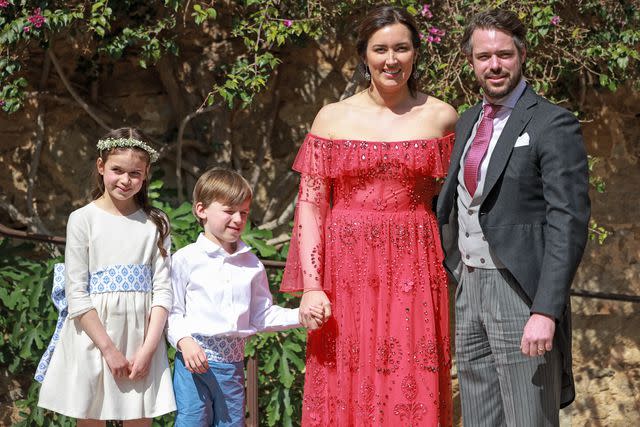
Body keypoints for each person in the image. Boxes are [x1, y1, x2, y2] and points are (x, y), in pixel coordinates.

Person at [280, 5, 458, 426]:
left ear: (416, 53)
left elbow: (457, 203)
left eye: (401, 48)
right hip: (345, 269)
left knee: (410, 376)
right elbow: (310, 205)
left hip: (415, 264)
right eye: (380, 49)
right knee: (344, 374)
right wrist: (312, 285)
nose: (391, 59)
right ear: (364, 55)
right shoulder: (333, 117)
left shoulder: (443, 116)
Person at [436, 9, 590, 427]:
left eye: (504, 54)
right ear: (471, 61)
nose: (495, 65)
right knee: (480, 419)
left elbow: (569, 222)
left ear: (521, 55)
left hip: (520, 292)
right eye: (484, 56)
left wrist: (546, 309)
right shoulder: (467, 121)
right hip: (470, 288)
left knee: (528, 418)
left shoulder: (552, 123)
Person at [36, 128, 176, 425]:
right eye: (117, 170)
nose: (125, 180)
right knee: (91, 417)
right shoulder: (82, 219)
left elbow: (163, 292)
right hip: (95, 340)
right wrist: (109, 351)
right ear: (101, 167)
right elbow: (77, 294)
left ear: (146, 173)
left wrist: (149, 350)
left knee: (139, 419)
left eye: (135, 173)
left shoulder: (156, 223)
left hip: (141, 341)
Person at [167, 168, 314, 426]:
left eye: (244, 212)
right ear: (201, 210)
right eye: (229, 210)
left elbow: (262, 314)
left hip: (232, 368)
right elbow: (172, 310)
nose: (238, 219)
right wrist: (183, 341)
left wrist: (299, 315)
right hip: (193, 366)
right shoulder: (185, 259)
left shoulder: (252, 265)